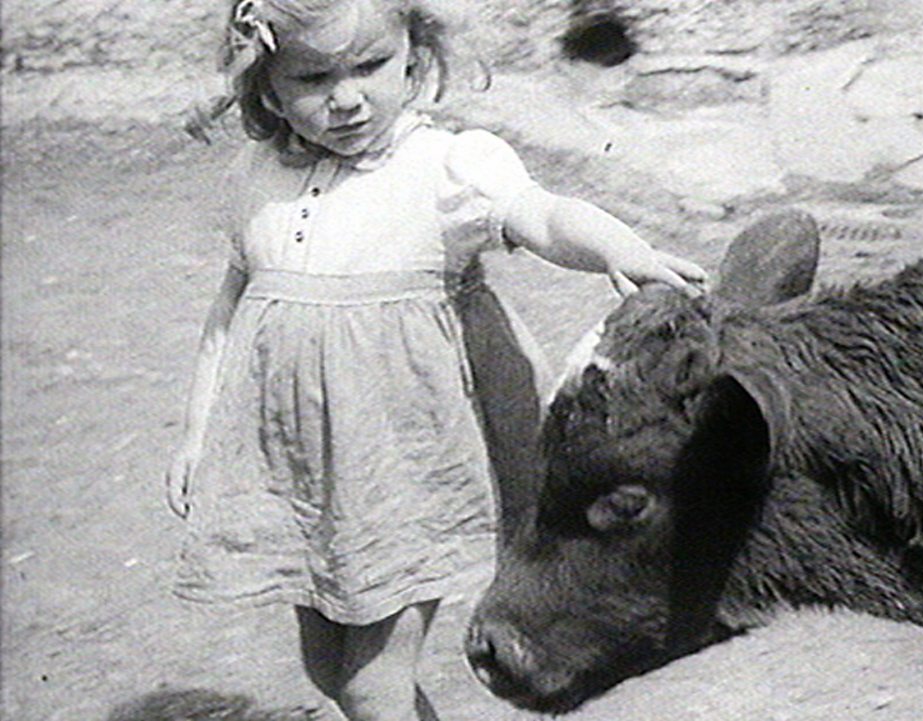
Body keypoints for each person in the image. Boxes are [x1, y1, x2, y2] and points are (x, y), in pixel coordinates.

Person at [165, 1, 707, 719]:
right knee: (327, 663)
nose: (348, 95)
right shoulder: (255, 176)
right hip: (302, 470)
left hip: (404, 463)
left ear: (414, 60)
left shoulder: (444, 165)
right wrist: (199, 434)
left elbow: (540, 215)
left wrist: (617, 248)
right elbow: (230, 311)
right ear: (267, 85)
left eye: (371, 66)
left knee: (370, 682)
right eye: (314, 76)